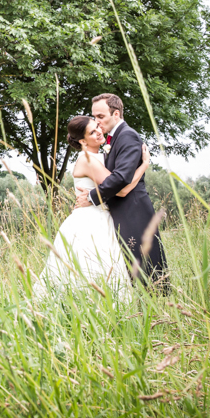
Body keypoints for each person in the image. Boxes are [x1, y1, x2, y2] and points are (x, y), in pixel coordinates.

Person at [34, 115, 149, 299]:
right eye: (92, 132)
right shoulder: (87, 159)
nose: (98, 132)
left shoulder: (101, 156)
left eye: (97, 127)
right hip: (91, 222)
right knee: (95, 268)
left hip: (103, 217)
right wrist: (144, 165)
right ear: (82, 141)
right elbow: (121, 190)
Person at [76, 93, 169, 290]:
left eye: (100, 117)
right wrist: (144, 165)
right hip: (120, 212)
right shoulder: (112, 139)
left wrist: (91, 197)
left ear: (116, 113)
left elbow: (121, 179)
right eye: (94, 117)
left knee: (145, 271)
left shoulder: (127, 135)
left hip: (133, 211)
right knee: (131, 270)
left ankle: (154, 314)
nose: (97, 123)